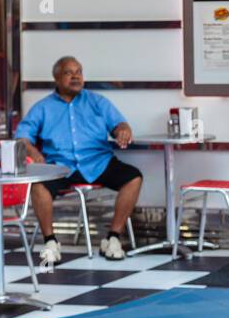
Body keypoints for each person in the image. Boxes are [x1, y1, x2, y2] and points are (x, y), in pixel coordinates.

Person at [15, 56, 142, 265]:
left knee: (133, 177)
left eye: (79, 72)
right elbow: (22, 136)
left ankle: (113, 238)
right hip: (60, 166)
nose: (75, 77)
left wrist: (123, 131)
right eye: (68, 72)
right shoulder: (43, 107)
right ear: (56, 78)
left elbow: (119, 124)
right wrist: (31, 150)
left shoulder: (97, 101)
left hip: (98, 161)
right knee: (38, 185)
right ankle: (51, 242)